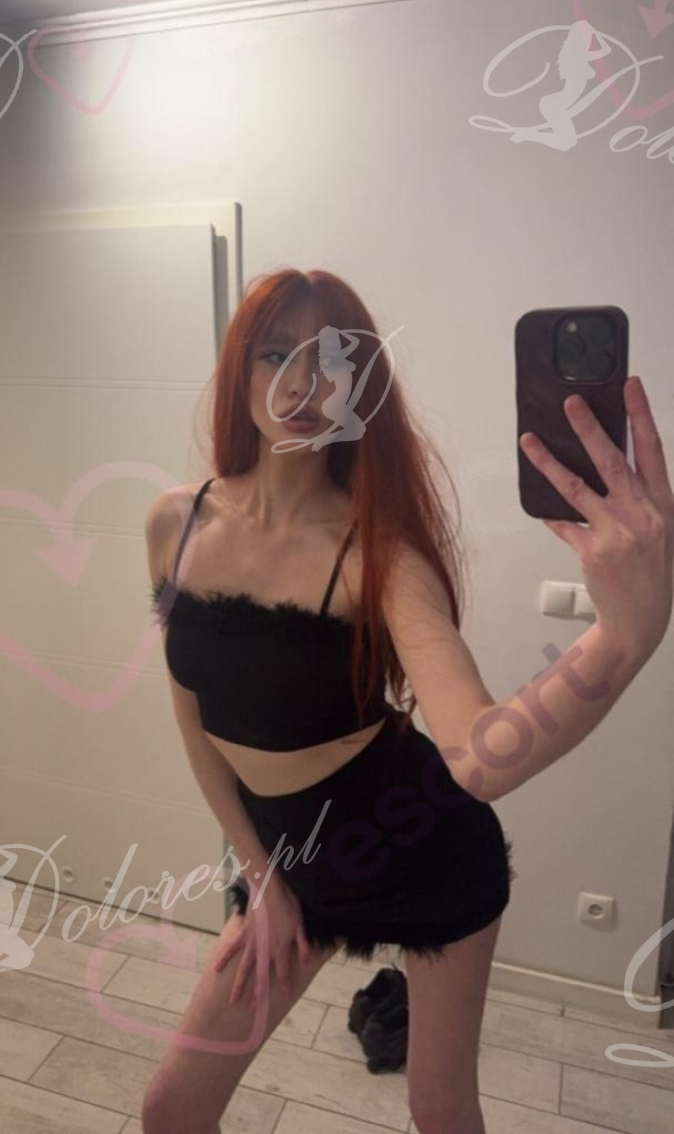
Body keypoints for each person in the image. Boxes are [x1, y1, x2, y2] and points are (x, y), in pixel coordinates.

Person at [141, 268, 674, 1134]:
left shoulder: (380, 551)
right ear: (239, 372)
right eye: (274, 355)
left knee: (439, 1109)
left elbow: (475, 755)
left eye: (328, 361)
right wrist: (259, 872)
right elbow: (191, 712)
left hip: (416, 845)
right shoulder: (175, 521)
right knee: (171, 1110)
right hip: (285, 858)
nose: (300, 384)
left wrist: (623, 636)